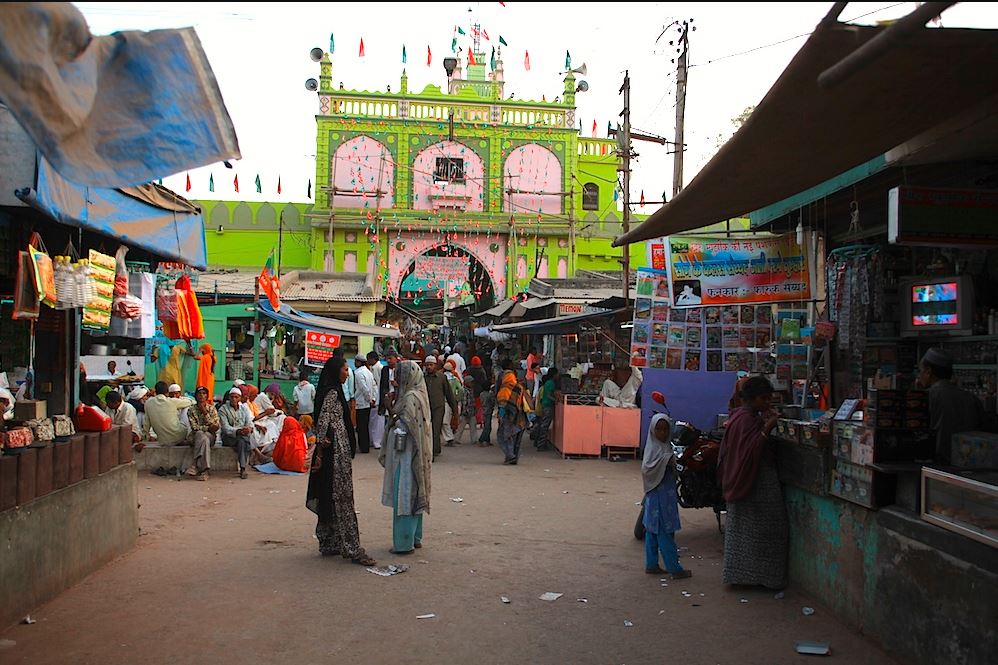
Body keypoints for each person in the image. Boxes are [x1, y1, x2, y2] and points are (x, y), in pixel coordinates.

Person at [717, 376, 787, 590]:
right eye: (764, 399)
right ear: (752, 399)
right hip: (753, 482)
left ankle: (743, 575)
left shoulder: (740, 417)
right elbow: (751, 451)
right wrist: (768, 427)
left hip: (743, 481)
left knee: (745, 530)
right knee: (770, 528)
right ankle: (764, 577)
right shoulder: (748, 420)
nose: (767, 403)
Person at [306, 355, 376, 566]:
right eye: (345, 369)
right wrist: (321, 445)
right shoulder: (333, 393)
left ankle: (329, 542)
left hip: (334, 450)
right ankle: (352, 547)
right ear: (336, 371)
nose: (348, 373)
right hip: (335, 453)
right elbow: (323, 421)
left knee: (329, 493)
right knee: (342, 497)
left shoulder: (331, 391)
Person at [379, 360, 433, 555]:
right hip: (417, 455)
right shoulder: (420, 394)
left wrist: (390, 409)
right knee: (415, 492)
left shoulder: (410, 398)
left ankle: (403, 543)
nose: (396, 380)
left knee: (404, 495)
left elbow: (403, 427)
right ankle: (415, 537)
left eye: (399, 376)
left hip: (407, 455)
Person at [642, 414, 692, 579]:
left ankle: (651, 564)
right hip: (659, 498)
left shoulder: (665, 447)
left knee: (653, 531)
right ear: (653, 430)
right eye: (659, 429)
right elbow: (647, 470)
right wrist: (666, 461)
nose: (662, 433)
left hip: (664, 497)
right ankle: (674, 568)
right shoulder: (655, 449)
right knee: (664, 532)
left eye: (665, 429)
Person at [917, 347, 983, 464]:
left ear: (928, 371)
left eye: (920, 371)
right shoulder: (971, 398)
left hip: (938, 462)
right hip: (969, 461)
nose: (919, 376)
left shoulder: (929, 396)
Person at [423, 356, 458, 460]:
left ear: (435, 366)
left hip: (438, 407)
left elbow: (449, 394)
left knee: (436, 429)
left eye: (431, 365)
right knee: (427, 429)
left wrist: (454, 410)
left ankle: (432, 454)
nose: (429, 367)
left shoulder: (442, 378)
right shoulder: (422, 378)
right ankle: (435, 448)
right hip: (426, 407)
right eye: (427, 365)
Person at [184, 386, 218, 481]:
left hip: (211, 437)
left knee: (204, 436)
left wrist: (205, 413)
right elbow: (195, 427)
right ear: (196, 396)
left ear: (207, 396)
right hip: (196, 436)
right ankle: (205, 470)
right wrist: (208, 428)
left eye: (204, 393)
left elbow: (215, 425)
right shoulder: (191, 410)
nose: (201, 396)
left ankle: (194, 465)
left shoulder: (212, 409)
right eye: (199, 393)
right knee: (201, 436)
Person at [143, 381, 194, 445]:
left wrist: (144, 439)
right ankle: (190, 437)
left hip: (162, 440)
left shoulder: (148, 403)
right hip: (179, 436)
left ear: (155, 392)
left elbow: (146, 424)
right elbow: (191, 402)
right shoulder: (172, 401)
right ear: (167, 392)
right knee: (186, 409)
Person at [218, 387, 253, 479]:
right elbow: (225, 428)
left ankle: (242, 467)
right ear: (229, 397)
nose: (234, 399)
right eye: (232, 397)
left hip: (242, 436)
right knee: (243, 439)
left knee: (242, 440)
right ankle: (243, 467)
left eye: (236, 397)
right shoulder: (223, 409)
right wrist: (238, 431)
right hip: (228, 437)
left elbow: (249, 422)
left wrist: (248, 429)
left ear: (240, 398)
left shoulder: (244, 408)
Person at [496, 370, 528, 465]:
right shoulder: (520, 387)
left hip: (509, 418)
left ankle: (510, 456)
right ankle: (514, 457)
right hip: (521, 417)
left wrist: (500, 417)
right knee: (517, 440)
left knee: (505, 437)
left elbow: (503, 405)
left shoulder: (504, 389)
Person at [531, 367, 560, 451]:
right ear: (554, 374)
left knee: (543, 425)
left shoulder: (547, 383)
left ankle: (539, 442)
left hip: (545, 405)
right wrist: (555, 400)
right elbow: (548, 395)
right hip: (548, 406)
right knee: (545, 426)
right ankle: (541, 444)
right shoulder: (551, 383)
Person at [352, 354, 377, 453]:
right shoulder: (368, 372)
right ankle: (365, 446)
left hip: (362, 403)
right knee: (365, 425)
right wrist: (373, 398)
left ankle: (363, 447)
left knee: (361, 427)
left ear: (359, 362)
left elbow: (363, 388)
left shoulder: (358, 373)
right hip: (367, 403)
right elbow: (374, 386)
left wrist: (369, 399)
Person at [366, 351, 384, 450]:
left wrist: (376, 398)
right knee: (373, 420)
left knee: (377, 421)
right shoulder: (373, 368)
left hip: (377, 398)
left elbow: (378, 385)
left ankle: (377, 441)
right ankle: (373, 440)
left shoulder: (379, 368)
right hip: (375, 397)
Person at [454, 373, 478, 444]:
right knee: (461, 427)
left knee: (473, 426)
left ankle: (474, 439)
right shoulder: (465, 391)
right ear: (467, 383)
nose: (472, 384)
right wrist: (465, 411)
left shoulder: (471, 390)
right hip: (465, 412)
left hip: (471, 411)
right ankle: (457, 439)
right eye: (471, 382)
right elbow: (464, 402)